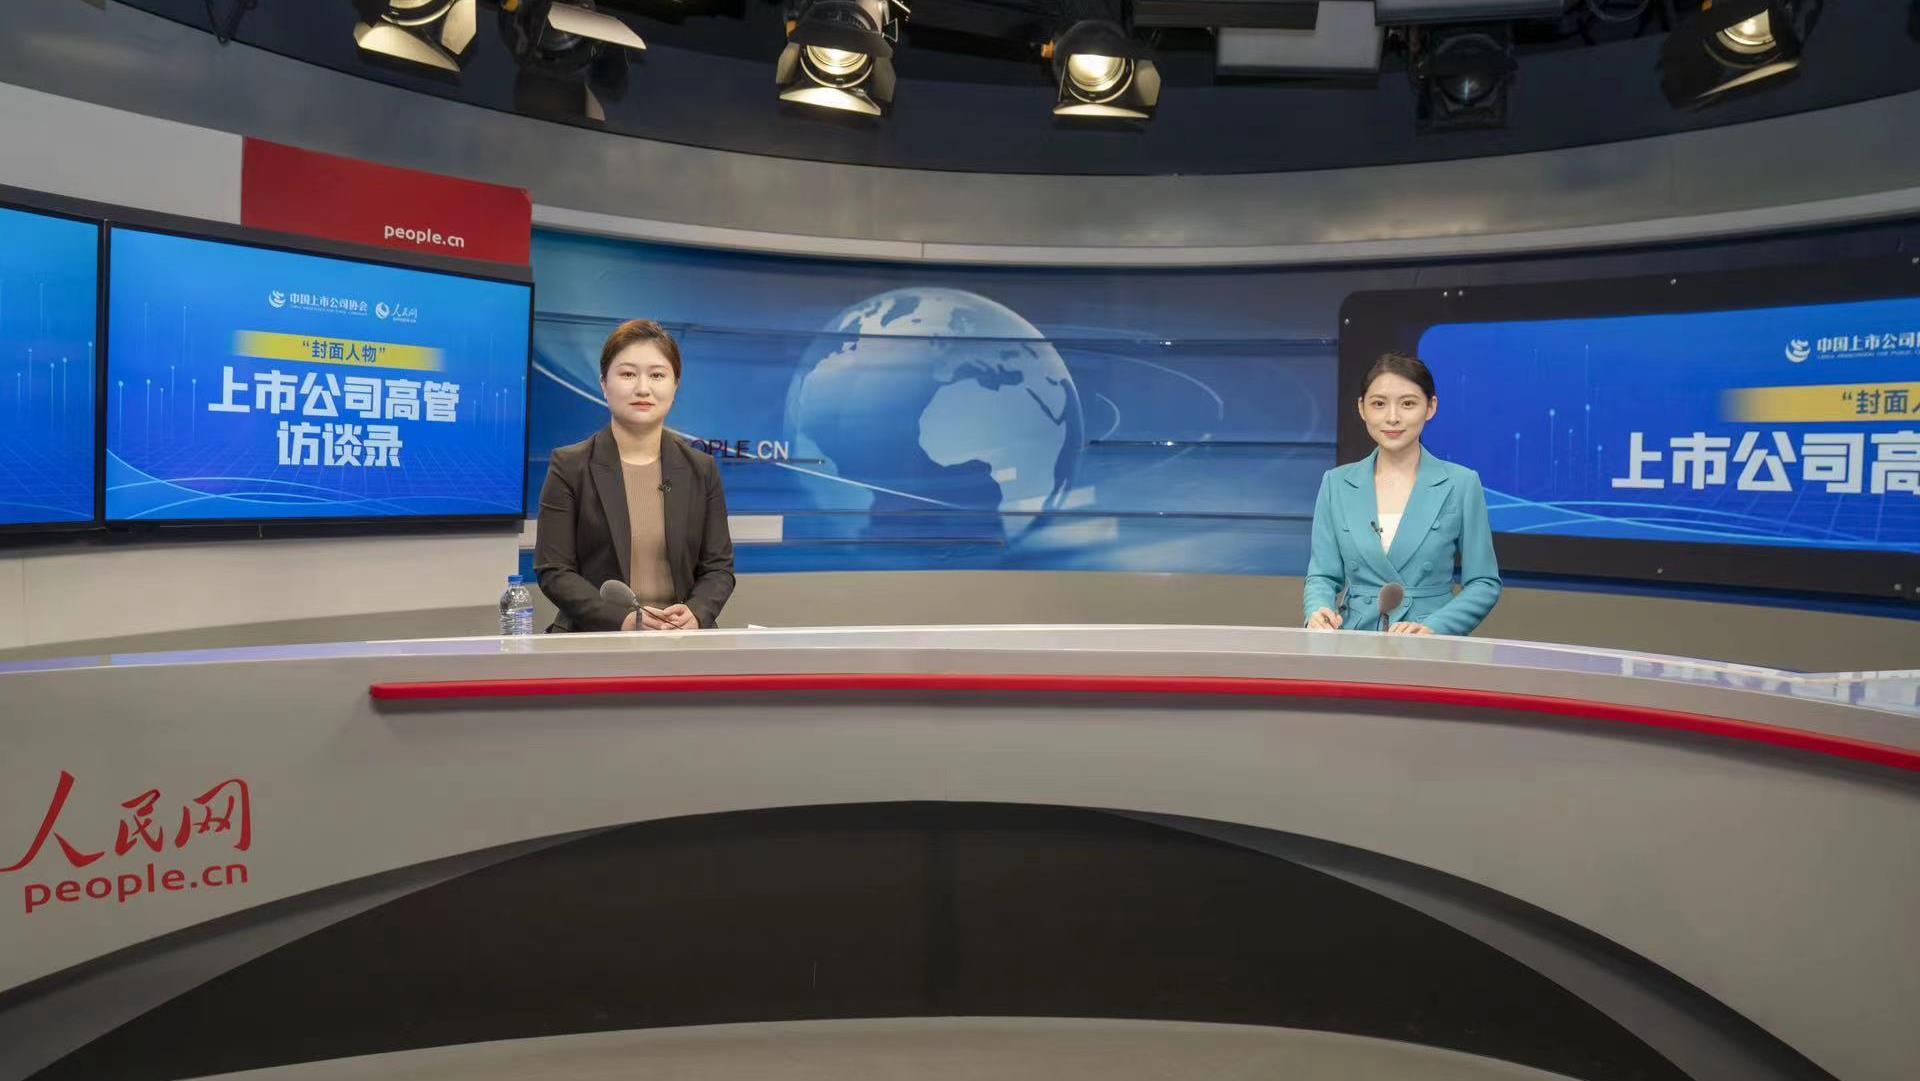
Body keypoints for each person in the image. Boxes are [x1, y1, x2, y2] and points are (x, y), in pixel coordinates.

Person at [534, 319, 735, 632]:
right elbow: (554, 570)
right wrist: (622, 620)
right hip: (596, 638)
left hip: (680, 639)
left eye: (657, 375)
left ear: (675, 385)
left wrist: (696, 613)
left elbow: (719, 568)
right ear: (604, 383)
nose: (643, 388)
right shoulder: (570, 466)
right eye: (628, 374)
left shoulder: (701, 469)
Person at [1303, 352, 1500, 635]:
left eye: (1407, 403)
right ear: (1361, 408)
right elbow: (1322, 575)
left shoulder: (1462, 484)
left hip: (1426, 642)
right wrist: (1317, 610)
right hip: (1355, 639)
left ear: (1431, 407)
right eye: (1379, 404)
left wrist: (1434, 627)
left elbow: (1484, 582)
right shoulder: (1336, 483)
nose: (1392, 418)